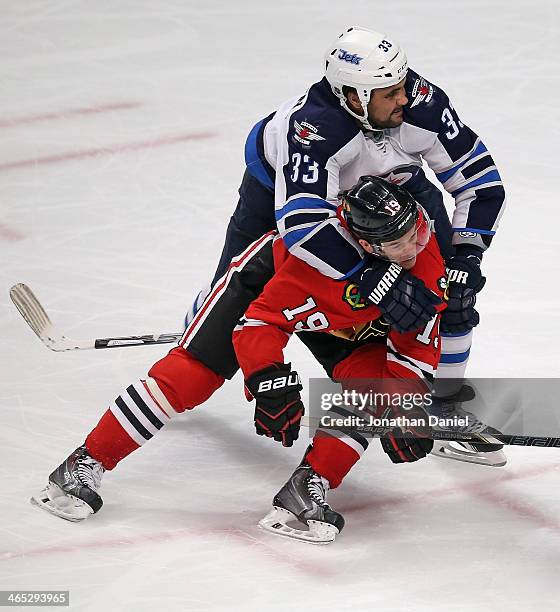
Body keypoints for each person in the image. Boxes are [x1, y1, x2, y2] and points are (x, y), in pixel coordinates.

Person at [31, 177, 445, 526]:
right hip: (263, 291)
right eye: (401, 242)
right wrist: (267, 379)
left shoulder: (421, 256)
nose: (416, 246)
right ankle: (84, 463)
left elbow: (415, 349)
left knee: (376, 390)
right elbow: (259, 322)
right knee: (190, 376)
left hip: (341, 314)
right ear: (370, 247)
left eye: (418, 232)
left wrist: (402, 406)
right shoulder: (309, 266)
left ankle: (306, 489)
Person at [188, 25, 507, 466]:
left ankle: (439, 408)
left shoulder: (423, 104)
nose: (405, 98)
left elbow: (481, 183)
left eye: (402, 84)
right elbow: (302, 225)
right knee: (234, 300)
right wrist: (367, 274)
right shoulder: (314, 129)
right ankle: (199, 328)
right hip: (279, 196)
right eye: (388, 92)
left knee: (453, 295)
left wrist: (467, 256)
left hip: (386, 189)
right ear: (354, 96)